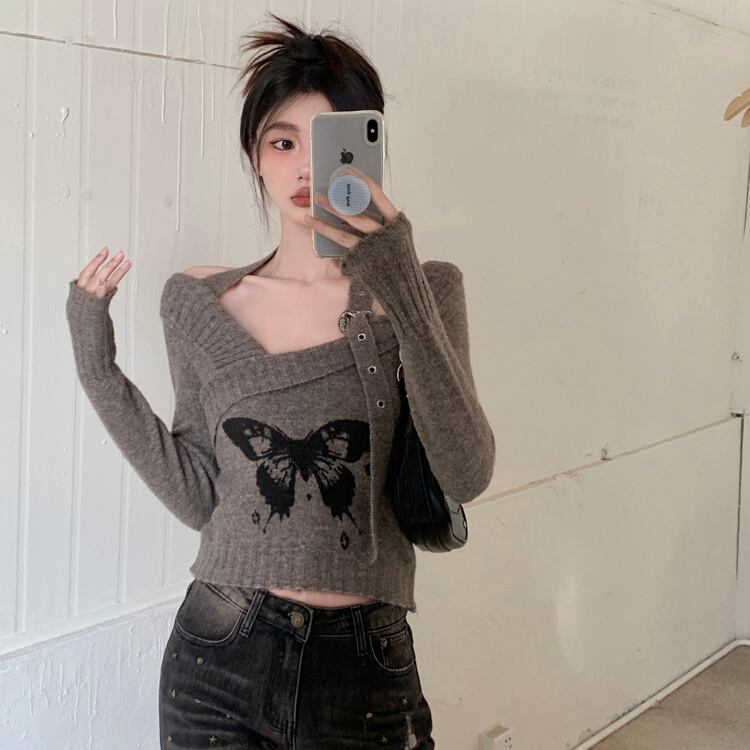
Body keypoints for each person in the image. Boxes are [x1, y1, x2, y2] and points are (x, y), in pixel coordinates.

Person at [65, 12, 495, 749]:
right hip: (219, 648)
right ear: (255, 156)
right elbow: (198, 495)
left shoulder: (425, 288)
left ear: (369, 147)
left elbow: (466, 470)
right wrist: (94, 363)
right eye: (281, 141)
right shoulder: (201, 302)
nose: (302, 169)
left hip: (365, 663)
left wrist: (394, 269)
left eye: (326, 143)